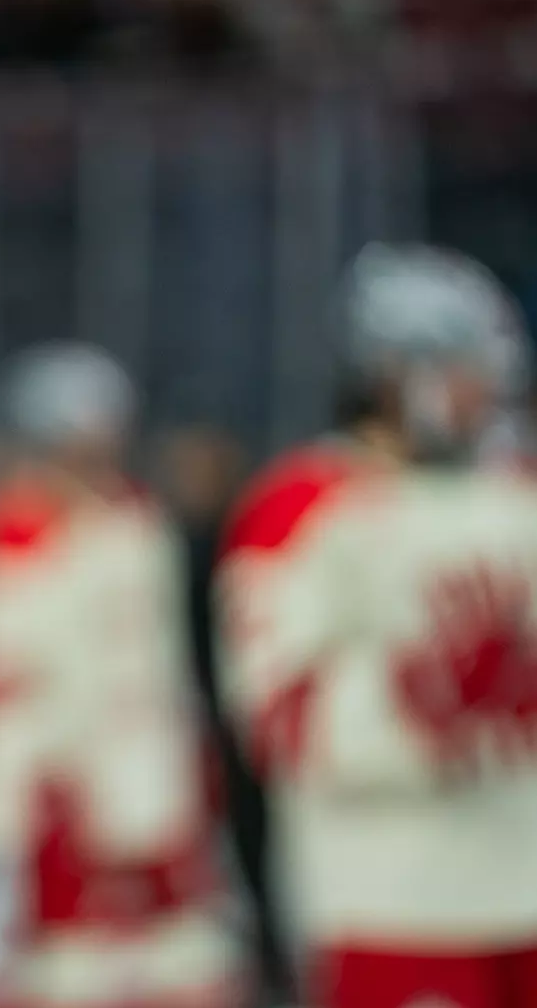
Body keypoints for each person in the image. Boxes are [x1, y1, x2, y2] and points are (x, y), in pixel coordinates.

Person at [217, 243, 537, 1008]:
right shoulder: (302, 506)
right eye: (466, 369)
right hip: (388, 902)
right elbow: (277, 716)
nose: (487, 392)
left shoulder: (516, 494)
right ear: (398, 376)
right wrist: (425, 700)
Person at [0, 342, 237, 1008]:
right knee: (13, 951)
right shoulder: (9, 527)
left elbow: (158, 658)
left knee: (167, 951)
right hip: (35, 781)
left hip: (139, 769)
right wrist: (39, 781)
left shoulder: (137, 521)